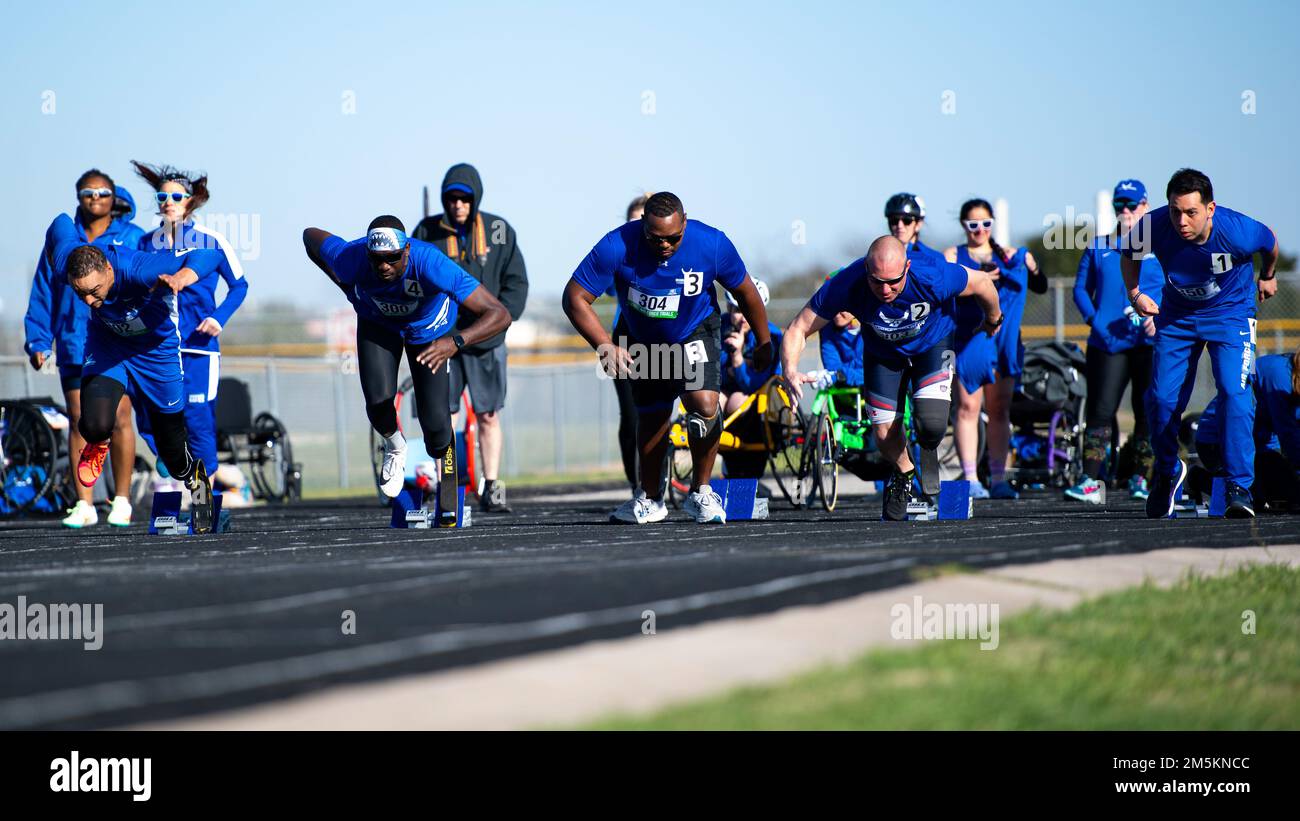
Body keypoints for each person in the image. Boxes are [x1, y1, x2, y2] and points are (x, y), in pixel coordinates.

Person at [563, 191, 772, 525]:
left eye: (673, 239)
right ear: (642, 226)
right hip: (643, 338)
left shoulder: (712, 244)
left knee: (703, 406)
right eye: (655, 238)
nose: (664, 246)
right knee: (652, 417)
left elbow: (746, 292)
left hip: (694, 330)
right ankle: (650, 498)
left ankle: (701, 491)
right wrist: (605, 345)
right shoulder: (616, 245)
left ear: (685, 223)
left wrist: (763, 341)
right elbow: (574, 297)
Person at [303, 216, 511, 527]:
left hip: (429, 333)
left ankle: (446, 462)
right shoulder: (351, 257)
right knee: (377, 402)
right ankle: (395, 446)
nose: (384, 266)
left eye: (392, 259)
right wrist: (346, 285)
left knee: (436, 427)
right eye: (377, 259)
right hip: (378, 324)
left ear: (407, 252)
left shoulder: (430, 262)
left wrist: (455, 342)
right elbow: (309, 237)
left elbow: (500, 313)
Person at [783, 236, 1002, 521]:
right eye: (877, 282)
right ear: (865, 270)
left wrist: (993, 318)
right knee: (884, 434)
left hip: (933, 345)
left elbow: (983, 283)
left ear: (907, 267)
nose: (885, 290)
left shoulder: (933, 275)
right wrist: (790, 368)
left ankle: (928, 442)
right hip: (884, 354)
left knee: (932, 424)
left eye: (894, 282)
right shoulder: (848, 283)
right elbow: (798, 328)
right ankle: (903, 473)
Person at [42, 213, 227, 532]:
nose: (90, 300)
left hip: (156, 353)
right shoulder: (67, 263)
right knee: (95, 424)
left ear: (109, 270)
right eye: (80, 293)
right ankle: (98, 441)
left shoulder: (141, 268)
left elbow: (212, 252)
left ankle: (195, 479)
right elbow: (58, 223)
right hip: (109, 348)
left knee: (171, 451)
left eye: (95, 291)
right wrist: (51, 252)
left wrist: (184, 277)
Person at [1123, 168, 1279, 519]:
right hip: (1178, 317)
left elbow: (1269, 241)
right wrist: (1135, 294)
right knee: (1161, 399)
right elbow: (1129, 255)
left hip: (1230, 316)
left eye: (1191, 212)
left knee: (1234, 392)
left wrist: (1268, 276)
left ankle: (1240, 484)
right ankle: (1166, 472)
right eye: (1176, 211)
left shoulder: (1236, 231)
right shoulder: (1153, 226)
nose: (1182, 221)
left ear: (1210, 208)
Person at [24, 169, 144, 528]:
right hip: (75, 343)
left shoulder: (133, 237)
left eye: (103, 192)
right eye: (88, 192)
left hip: (118, 342)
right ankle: (85, 503)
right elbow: (44, 290)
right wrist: (39, 339)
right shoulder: (63, 242)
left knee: (120, 418)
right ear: (78, 196)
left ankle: (121, 499)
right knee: (81, 420)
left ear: (114, 197)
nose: (95, 198)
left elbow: (146, 284)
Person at [412, 164, 528, 513]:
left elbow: (516, 284)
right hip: (441, 340)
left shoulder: (499, 230)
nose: (458, 205)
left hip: (486, 341)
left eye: (465, 198)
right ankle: (444, 481)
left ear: (475, 198)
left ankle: (492, 487)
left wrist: (501, 320)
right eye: (452, 198)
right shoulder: (426, 230)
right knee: (443, 414)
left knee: (489, 414)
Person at [134, 162, 248, 486]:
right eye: (161, 196)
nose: (168, 201)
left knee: (197, 420)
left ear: (191, 200)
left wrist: (218, 318)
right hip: (156, 350)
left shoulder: (211, 241)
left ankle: (204, 492)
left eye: (176, 196)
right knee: (149, 417)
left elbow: (240, 286)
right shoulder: (144, 244)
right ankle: (177, 464)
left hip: (198, 348)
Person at [1065, 179, 1165, 504]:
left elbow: (1175, 286)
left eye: (1132, 204)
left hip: (1147, 342)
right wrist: (1096, 321)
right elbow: (1080, 289)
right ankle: (1092, 479)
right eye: (1119, 204)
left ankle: (1141, 477)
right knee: (1100, 410)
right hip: (1107, 343)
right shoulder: (1098, 246)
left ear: (1145, 207)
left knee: (1147, 409)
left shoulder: (1160, 248)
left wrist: (1158, 318)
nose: (1125, 210)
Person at [945, 198, 1047, 500]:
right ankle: (971, 478)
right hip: (968, 340)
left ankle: (999, 478)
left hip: (1003, 342)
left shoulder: (1010, 256)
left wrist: (1032, 265)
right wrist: (976, 280)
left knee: (1000, 409)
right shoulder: (953, 255)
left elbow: (1040, 285)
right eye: (972, 225)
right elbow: (943, 288)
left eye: (985, 224)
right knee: (967, 408)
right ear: (964, 226)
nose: (979, 230)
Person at [1194, 349, 1300, 512]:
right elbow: (1289, 435)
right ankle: (1197, 478)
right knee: (1249, 498)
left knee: (1288, 494)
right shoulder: (1280, 375)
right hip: (1219, 441)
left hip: (1258, 447)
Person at [719, 278, 782, 480]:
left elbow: (753, 383)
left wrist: (736, 357)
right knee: (711, 401)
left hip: (759, 395)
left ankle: (743, 470)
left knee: (737, 400)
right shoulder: (719, 327)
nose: (744, 316)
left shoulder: (771, 335)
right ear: (729, 308)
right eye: (738, 310)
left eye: (750, 309)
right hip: (725, 387)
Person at [609, 193, 650, 496]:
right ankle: (636, 482)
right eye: (631, 221)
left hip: (660, 342)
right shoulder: (619, 254)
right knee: (631, 415)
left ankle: (656, 479)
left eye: (642, 219)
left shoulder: (668, 254)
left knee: (658, 412)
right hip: (624, 341)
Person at [885, 193, 944, 262]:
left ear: (918, 224)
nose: (900, 226)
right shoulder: (878, 256)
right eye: (894, 220)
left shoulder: (934, 259)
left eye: (907, 220)